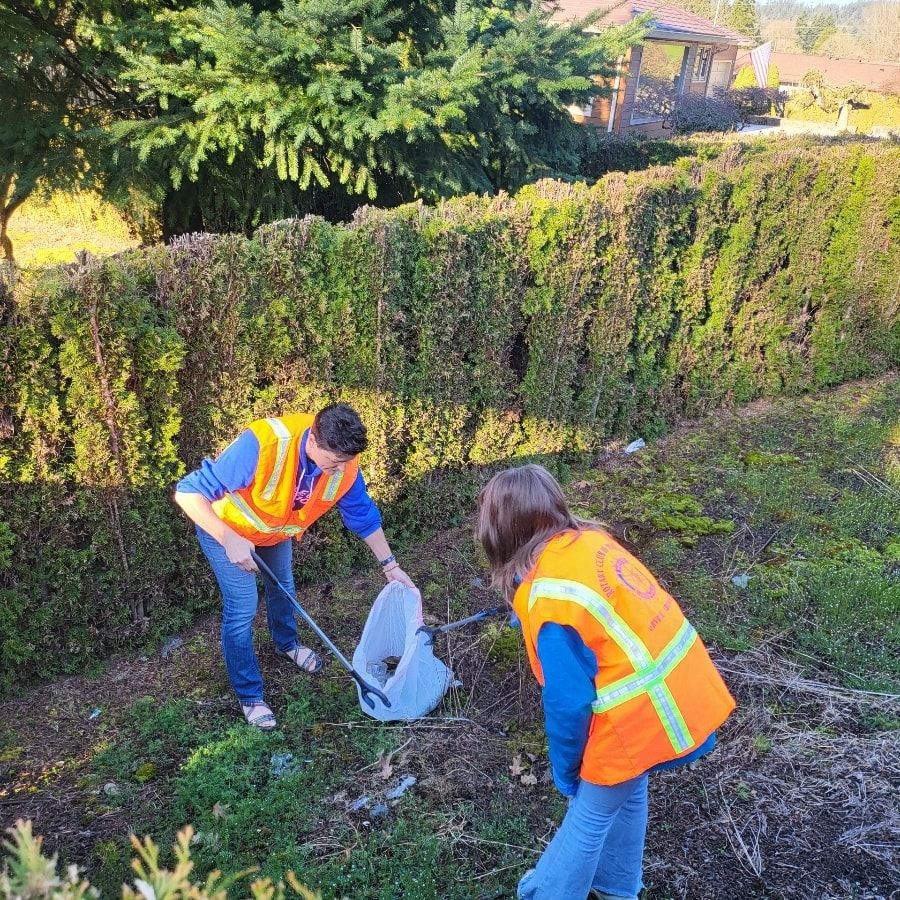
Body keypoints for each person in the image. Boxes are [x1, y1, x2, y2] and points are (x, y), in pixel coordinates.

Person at [476, 464, 735, 900]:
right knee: (629, 793)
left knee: (589, 814)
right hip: (683, 687)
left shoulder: (549, 602)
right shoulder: (589, 542)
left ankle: (544, 893)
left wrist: (567, 770)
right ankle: (618, 888)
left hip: (638, 714)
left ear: (502, 532)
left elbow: (567, 702)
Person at [174, 403, 417, 730]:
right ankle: (250, 695)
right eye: (333, 462)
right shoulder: (263, 444)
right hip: (225, 529)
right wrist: (228, 538)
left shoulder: (344, 460)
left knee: (284, 590)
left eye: (344, 463)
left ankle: (286, 644)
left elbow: (362, 514)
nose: (338, 469)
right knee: (243, 608)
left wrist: (390, 566)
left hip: (273, 533)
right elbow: (188, 494)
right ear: (313, 442)